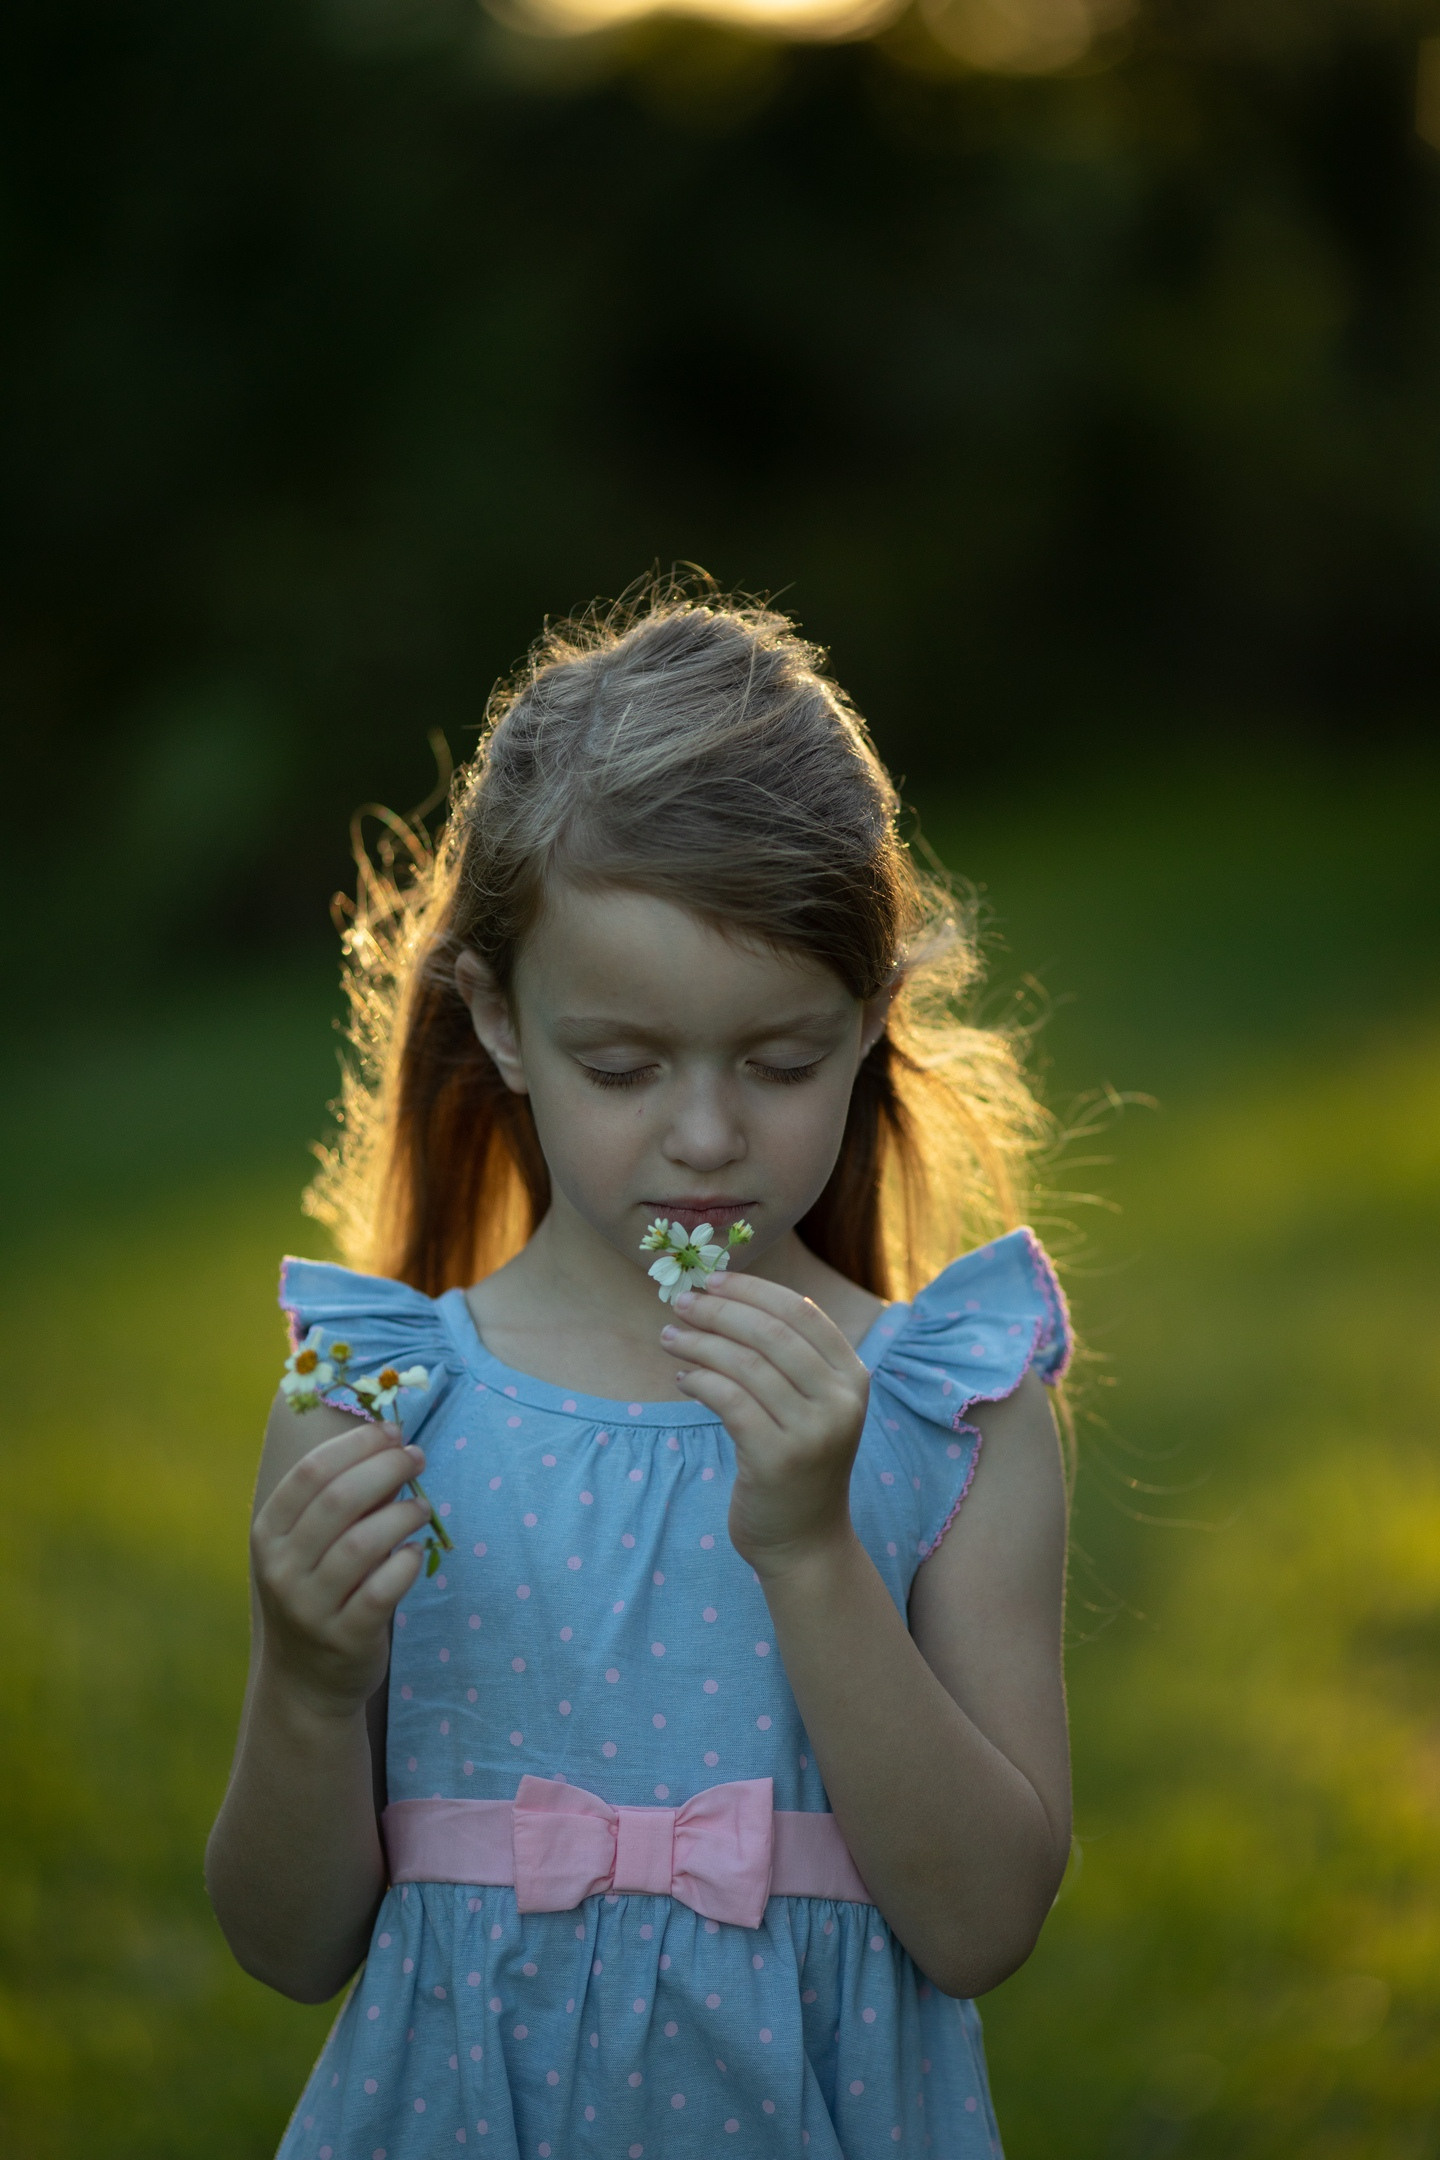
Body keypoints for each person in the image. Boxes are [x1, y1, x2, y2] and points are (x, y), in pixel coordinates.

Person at [206, 591, 1074, 2159]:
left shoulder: (953, 1406)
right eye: (622, 1067)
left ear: (872, 1020)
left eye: (781, 1060)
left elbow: (982, 1923)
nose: (703, 1136)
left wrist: (812, 1547)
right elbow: (285, 1946)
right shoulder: (377, 1404)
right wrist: (308, 1683)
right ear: (500, 1021)